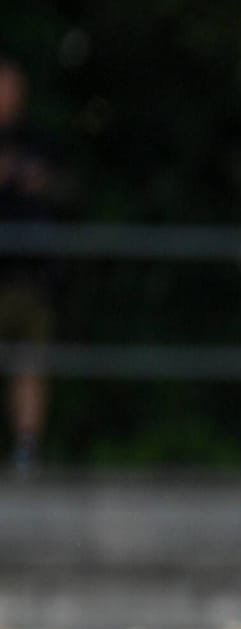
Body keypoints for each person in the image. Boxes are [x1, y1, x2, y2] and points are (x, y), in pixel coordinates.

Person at [0, 56, 59, 475]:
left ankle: (26, 449)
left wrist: (40, 180)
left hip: (31, 275)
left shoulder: (37, 140)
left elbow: (65, 190)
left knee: (30, 364)